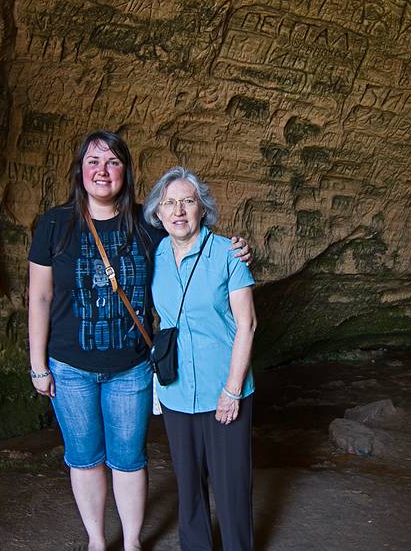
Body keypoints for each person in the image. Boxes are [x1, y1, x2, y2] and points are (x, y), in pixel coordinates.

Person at [27, 131, 250, 551]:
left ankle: (131, 544)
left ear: (125, 172)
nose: (102, 170)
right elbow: (39, 297)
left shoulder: (147, 227)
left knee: (129, 460)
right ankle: (96, 540)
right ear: (80, 170)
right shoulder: (54, 225)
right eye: (93, 161)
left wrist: (236, 249)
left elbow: (191, 242)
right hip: (69, 367)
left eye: (112, 162)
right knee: (84, 456)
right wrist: (38, 364)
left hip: (130, 369)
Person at [143, 166, 256, 551]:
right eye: (169, 203)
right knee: (188, 485)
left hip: (223, 388)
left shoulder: (228, 253)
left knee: (231, 486)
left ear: (201, 209)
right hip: (175, 391)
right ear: (158, 213)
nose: (179, 210)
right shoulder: (153, 255)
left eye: (188, 201)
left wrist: (232, 389)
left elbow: (248, 324)